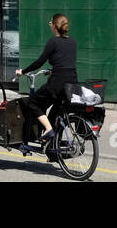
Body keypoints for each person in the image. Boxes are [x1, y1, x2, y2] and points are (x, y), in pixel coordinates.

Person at [16, 13, 77, 144]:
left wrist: (23, 71)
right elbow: (66, 63)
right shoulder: (73, 42)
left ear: (55, 26)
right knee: (54, 113)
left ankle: (48, 129)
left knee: (33, 102)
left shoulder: (53, 41)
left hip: (57, 84)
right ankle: (53, 144)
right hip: (71, 85)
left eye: (50, 23)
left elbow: (39, 62)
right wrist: (52, 71)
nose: (50, 26)